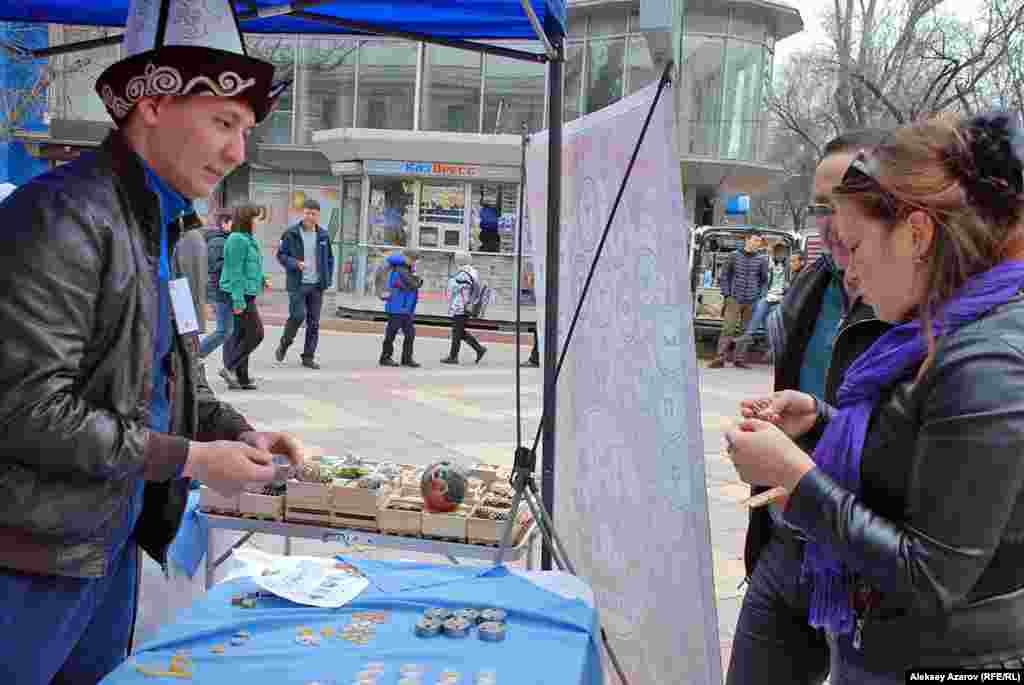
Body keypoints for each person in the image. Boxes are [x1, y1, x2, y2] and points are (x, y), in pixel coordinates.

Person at [0, 0, 303, 681]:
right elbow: (23, 411)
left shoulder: (159, 225)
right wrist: (193, 456)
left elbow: (171, 375)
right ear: (153, 103)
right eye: (224, 122)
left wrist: (238, 431)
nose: (236, 152)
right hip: (29, 560)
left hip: (106, 543)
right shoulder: (62, 216)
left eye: (246, 131)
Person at [726, 111, 1024, 682]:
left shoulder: (987, 360)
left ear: (917, 234)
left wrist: (798, 480)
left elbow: (932, 576)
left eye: (858, 244)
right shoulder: (944, 330)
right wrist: (819, 423)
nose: (852, 271)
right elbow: (921, 455)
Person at [726, 129, 891, 685]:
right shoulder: (808, 287)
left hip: (868, 560)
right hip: (789, 537)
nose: (832, 223)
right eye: (822, 206)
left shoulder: (922, 303)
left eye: (847, 204)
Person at [275, 198, 335, 370]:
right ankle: (285, 343)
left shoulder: (323, 235)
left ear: (318, 216)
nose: (310, 216)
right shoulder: (291, 233)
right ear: (303, 213)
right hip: (297, 284)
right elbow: (281, 255)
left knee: (314, 322)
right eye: (307, 213)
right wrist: (295, 263)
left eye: (313, 214)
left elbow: (330, 259)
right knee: (297, 316)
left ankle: (308, 357)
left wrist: (327, 279)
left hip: (316, 286)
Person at [220, 205, 267, 390]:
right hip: (239, 294)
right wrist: (238, 300)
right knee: (256, 334)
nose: (258, 222)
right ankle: (229, 367)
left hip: (247, 292)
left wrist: (261, 279)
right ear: (247, 219)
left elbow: (251, 265)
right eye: (256, 218)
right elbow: (235, 271)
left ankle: (242, 378)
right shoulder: (237, 239)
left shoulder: (247, 239)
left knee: (243, 335)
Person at [709, 234, 769, 369]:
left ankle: (739, 359)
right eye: (755, 240)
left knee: (745, 330)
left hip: (752, 300)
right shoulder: (733, 256)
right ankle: (720, 358)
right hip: (734, 298)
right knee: (728, 328)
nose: (757, 243)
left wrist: (761, 296)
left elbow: (764, 280)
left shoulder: (762, 259)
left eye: (759, 241)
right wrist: (727, 294)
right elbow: (725, 276)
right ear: (747, 240)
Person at [733, 243, 791, 367]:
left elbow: (791, 281)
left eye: (783, 254)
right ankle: (748, 335)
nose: (781, 256)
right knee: (758, 317)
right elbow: (758, 277)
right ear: (774, 253)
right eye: (778, 253)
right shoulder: (766, 262)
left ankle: (768, 348)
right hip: (766, 297)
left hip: (779, 299)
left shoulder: (788, 266)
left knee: (770, 326)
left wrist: (787, 287)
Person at [199, 212, 235, 360]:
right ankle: (196, 355)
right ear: (225, 224)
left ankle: (230, 365)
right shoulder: (218, 242)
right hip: (220, 291)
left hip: (226, 290)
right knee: (224, 331)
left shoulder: (228, 240)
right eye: (234, 223)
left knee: (229, 330)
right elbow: (215, 267)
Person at [379, 248, 423, 368]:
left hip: (405, 308)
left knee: (410, 334)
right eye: (414, 260)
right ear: (407, 258)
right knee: (392, 333)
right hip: (397, 307)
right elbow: (412, 285)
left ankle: (406, 358)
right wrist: (418, 281)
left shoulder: (406, 269)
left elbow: (413, 284)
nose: (415, 262)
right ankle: (385, 357)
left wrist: (416, 279)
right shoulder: (400, 269)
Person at [442, 252, 488, 365]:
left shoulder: (462, 274)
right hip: (468, 305)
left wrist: (451, 281)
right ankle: (479, 349)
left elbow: (453, 289)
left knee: (457, 332)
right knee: (459, 331)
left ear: (458, 261)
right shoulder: (473, 271)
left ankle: (453, 357)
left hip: (461, 306)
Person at [172, 213, 208, 335]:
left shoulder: (191, 238)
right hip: (186, 303)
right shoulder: (192, 237)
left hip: (186, 305)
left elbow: (193, 278)